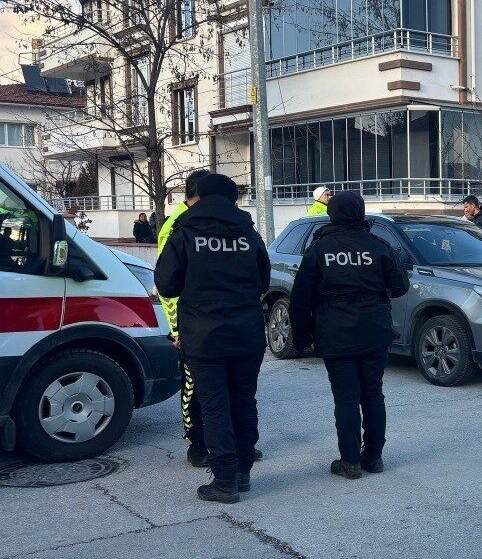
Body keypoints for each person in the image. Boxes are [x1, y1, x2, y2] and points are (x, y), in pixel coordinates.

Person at [155, 174, 270, 503]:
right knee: (244, 401)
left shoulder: (185, 232)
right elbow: (263, 280)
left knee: (215, 405)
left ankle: (224, 480)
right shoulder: (248, 233)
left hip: (204, 335)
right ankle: (242, 473)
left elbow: (166, 284)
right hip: (246, 333)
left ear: (201, 197)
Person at [289, 191, 408, 480]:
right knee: (373, 393)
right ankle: (374, 458)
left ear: (332, 213)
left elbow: (300, 298)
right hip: (374, 330)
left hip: (335, 332)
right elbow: (400, 285)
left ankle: (350, 461)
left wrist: (301, 337)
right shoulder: (378, 245)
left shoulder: (320, 248)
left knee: (346, 397)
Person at [158, 169, 211, 466]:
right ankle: (197, 443)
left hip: (212, 321)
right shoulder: (176, 225)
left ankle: (226, 441)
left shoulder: (207, 221)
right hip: (189, 325)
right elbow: (167, 286)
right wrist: (176, 330)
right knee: (194, 388)